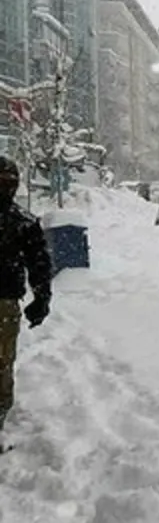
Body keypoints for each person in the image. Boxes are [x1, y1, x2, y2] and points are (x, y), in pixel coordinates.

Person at [0, 156, 52, 449]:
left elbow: (39, 264)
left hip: (6, 303)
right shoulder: (24, 222)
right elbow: (39, 264)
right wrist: (41, 298)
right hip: (5, 304)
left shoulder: (24, 223)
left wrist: (42, 297)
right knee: (2, 365)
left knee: (2, 365)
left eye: (7, 182)